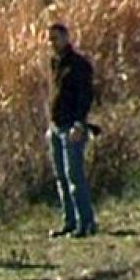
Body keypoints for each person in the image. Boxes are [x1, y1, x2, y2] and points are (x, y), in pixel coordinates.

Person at [47, 22, 98, 239]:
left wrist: (80, 123)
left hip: (72, 126)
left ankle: (86, 222)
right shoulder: (55, 63)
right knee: (61, 177)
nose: (53, 43)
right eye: (50, 40)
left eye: (56, 38)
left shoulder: (79, 65)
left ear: (67, 38)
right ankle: (69, 221)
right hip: (56, 126)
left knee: (74, 175)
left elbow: (85, 96)